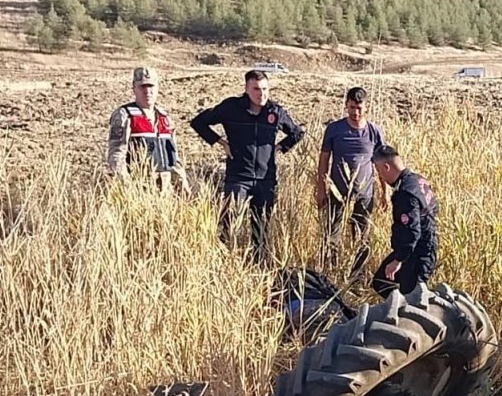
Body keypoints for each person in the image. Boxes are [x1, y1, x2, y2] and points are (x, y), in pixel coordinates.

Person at [190, 70, 304, 264]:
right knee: (229, 223)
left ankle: (259, 266)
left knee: (261, 228)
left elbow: (297, 133)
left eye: (265, 89)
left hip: (265, 179)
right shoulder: (231, 108)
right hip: (238, 177)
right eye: (257, 89)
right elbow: (198, 122)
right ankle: (225, 263)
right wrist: (221, 142)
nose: (262, 94)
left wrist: (279, 148)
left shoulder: (275, 112)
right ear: (247, 89)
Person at [314, 87, 387, 275]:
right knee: (332, 234)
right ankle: (331, 272)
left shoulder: (374, 131)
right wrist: (321, 189)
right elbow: (324, 160)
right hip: (337, 191)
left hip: (365, 193)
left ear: (366, 107)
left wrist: (385, 192)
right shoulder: (334, 129)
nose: (356, 112)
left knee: (361, 236)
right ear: (346, 105)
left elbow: (381, 164)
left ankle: (357, 276)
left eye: (360, 108)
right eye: (352, 107)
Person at [105, 67, 189, 193]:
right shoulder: (124, 115)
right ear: (134, 88)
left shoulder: (164, 118)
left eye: (151, 87)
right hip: (138, 186)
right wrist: (126, 186)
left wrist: (182, 183)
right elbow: (116, 154)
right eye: (142, 87)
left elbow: (173, 157)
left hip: (166, 190)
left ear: (157, 88)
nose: (147, 91)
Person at [369, 145, 437, 298]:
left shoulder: (405, 193)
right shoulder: (418, 181)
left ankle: (402, 316)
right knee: (381, 282)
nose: (381, 178)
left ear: (386, 167)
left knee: (410, 299)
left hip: (415, 256)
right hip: (420, 249)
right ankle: (396, 309)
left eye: (379, 172)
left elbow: (412, 231)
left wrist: (398, 260)